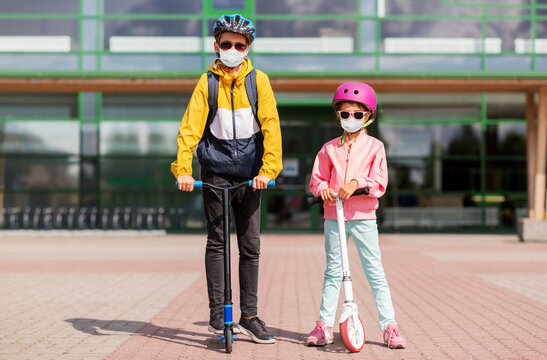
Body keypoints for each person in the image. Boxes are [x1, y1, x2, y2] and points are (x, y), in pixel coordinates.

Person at [171, 14, 282, 344]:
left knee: (251, 245)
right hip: (216, 172)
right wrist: (184, 170)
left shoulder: (258, 80)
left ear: (247, 49)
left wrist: (268, 171)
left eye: (239, 45)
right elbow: (190, 128)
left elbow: (271, 126)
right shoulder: (208, 82)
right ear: (216, 46)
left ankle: (249, 316)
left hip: (251, 176)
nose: (232, 49)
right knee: (217, 241)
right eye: (226, 44)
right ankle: (218, 314)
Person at [306, 82, 406, 349]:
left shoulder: (375, 147)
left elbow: (379, 183)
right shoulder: (328, 149)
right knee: (332, 272)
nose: (351, 119)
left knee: (374, 271)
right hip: (334, 217)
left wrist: (357, 184)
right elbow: (316, 180)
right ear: (338, 116)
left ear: (369, 116)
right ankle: (323, 326)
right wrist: (324, 189)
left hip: (363, 217)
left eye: (357, 115)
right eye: (345, 114)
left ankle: (389, 327)